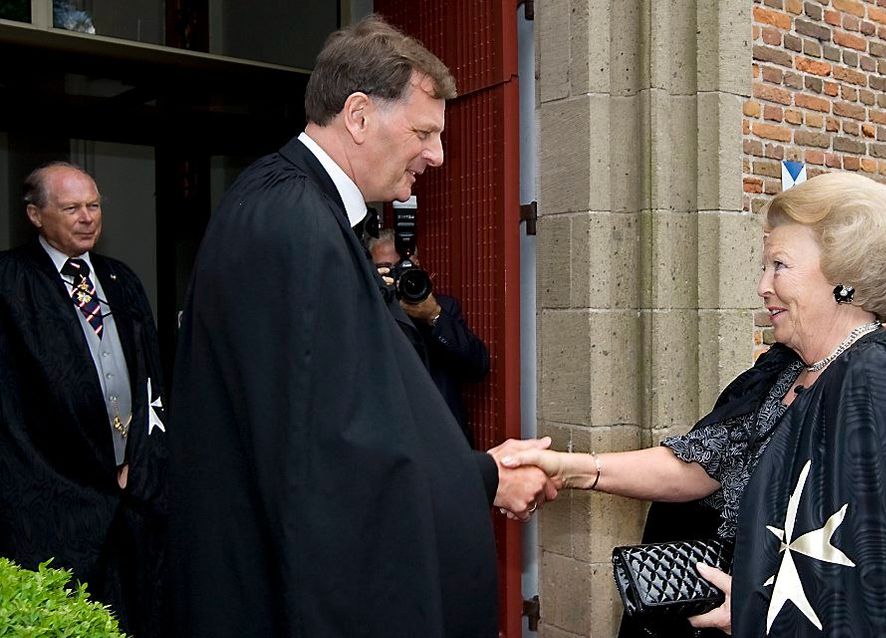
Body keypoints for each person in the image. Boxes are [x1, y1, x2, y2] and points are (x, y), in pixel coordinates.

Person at [168, 16, 553, 637]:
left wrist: (474, 465)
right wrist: (482, 477)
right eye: (425, 132)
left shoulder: (285, 202)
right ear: (358, 115)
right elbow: (335, 458)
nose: (438, 154)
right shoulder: (297, 222)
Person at [504, 172, 886, 637]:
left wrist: (765, 609)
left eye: (779, 266)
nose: (763, 285)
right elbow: (701, 466)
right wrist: (569, 468)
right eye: (764, 266)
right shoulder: (783, 369)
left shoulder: (885, 383)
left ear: (844, 277)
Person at [0, 162, 167, 636]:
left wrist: (143, 458)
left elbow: (152, 381)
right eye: (71, 208)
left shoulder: (120, 280)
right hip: (52, 495)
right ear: (35, 215)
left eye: (93, 206)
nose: (87, 217)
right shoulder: (10, 283)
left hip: (127, 490)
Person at [368, 227, 490, 439]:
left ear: (417, 265)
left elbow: (477, 366)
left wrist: (434, 316)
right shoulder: (364, 310)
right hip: (389, 438)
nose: (398, 276)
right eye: (386, 269)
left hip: (442, 436)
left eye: (403, 267)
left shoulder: (443, 308)